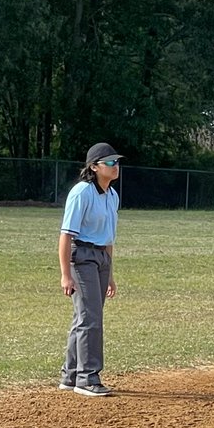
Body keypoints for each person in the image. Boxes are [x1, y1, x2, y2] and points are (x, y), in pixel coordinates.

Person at [58, 142, 123, 396]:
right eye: (109, 162)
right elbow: (65, 236)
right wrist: (65, 274)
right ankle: (88, 378)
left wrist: (110, 275)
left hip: (101, 258)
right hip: (82, 256)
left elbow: (108, 239)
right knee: (90, 317)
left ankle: (70, 375)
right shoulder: (82, 192)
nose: (115, 166)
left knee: (85, 318)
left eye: (116, 162)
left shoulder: (112, 196)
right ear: (94, 167)